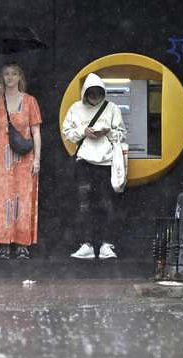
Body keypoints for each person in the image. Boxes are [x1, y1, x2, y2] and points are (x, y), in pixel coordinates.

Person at [63, 73, 127, 259]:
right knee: (84, 205)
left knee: (107, 203)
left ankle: (107, 244)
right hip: (84, 161)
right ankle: (87, 244)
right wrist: (83, 131)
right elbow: (67, 132)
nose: (95, 97)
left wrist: (107, 133)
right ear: (85, 93)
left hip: (106, 162)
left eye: (98, 93)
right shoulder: (76, 108)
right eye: (91, 94)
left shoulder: (112, 108)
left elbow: (122, 133)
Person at [0, 62, 42, 260]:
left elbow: (36, 132)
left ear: (19, 77)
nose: (9, 77)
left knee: (22, 200)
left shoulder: (30, 101)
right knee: (1, 200)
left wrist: (37, 159)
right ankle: (3, 244)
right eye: (6, 74)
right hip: (0, 158)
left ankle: (22, 244)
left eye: (14, 74)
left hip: (24, 158)